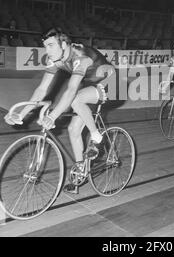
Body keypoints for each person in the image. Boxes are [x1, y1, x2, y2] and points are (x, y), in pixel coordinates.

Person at [4, 28, 115, 194]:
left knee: (75, 98)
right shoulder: (55, 59)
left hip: (112, 82)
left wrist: (53, 116)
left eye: (50, 45)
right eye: (45, 46)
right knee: (73, 130)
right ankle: (81, 174)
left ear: (63, 44)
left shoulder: (80, 57)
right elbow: (41, 89)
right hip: (91, 84)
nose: (47, 51)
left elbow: (70, 91)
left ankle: (96, 135)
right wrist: (22, 112)